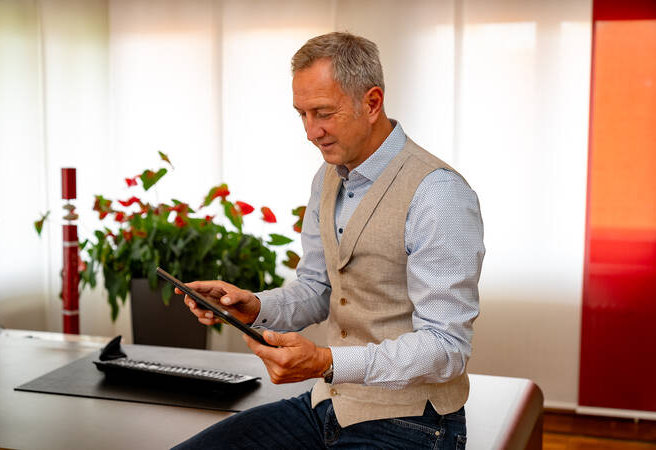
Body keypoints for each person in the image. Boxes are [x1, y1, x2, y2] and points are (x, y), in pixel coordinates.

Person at [173, 32, 485, 450]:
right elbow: (318, 289)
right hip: (330, 405)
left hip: (414, 423)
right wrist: (255, 306)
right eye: (301, 114)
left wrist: (326, 361)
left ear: (372, 103)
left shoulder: (439, 194)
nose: (310, 132)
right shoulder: (327, 177)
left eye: (322, 113)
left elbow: (447, 348)